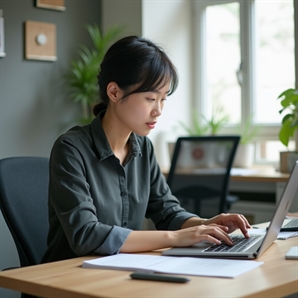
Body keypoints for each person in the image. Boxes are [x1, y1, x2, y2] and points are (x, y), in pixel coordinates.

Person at [42, 35, 251, 263]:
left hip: (118, 270)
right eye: (150, 98)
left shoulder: (143, 147)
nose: (158, 110)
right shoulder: (71, 149)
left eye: (163, 99)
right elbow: (86, 235)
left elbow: (168, 212)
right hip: (69, 276)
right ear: (114, 92)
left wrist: (206, 224)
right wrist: (175, 237)